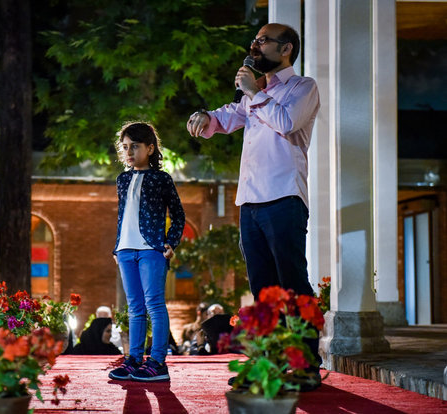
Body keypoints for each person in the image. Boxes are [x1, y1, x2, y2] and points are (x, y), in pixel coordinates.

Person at [186, 23, 322, 389]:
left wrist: (252, 93)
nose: (254, 46)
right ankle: (267, 368)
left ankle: (307, 365)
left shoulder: (302, 87)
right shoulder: (256, 93)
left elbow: (285, 122)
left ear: (287, 48)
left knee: (292, 286)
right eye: (255, 41)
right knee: (263, 291)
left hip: (284, 199)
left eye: (263, 41)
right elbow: (230, 115)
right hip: (250, 202)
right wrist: (207, 118)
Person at [108, 121, 185, 382]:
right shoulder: (122, 179)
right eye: (125, 147)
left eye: (135, 146)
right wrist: (117, 246)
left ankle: (158, 362)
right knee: (134, 306)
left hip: (152, 248)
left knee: (154, 304)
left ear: (150, 148)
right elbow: (123, 216)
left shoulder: (161, 179)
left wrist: (170, 242)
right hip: (125, 250)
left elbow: (178, 215)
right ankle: (134, 359)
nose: (129, 152)